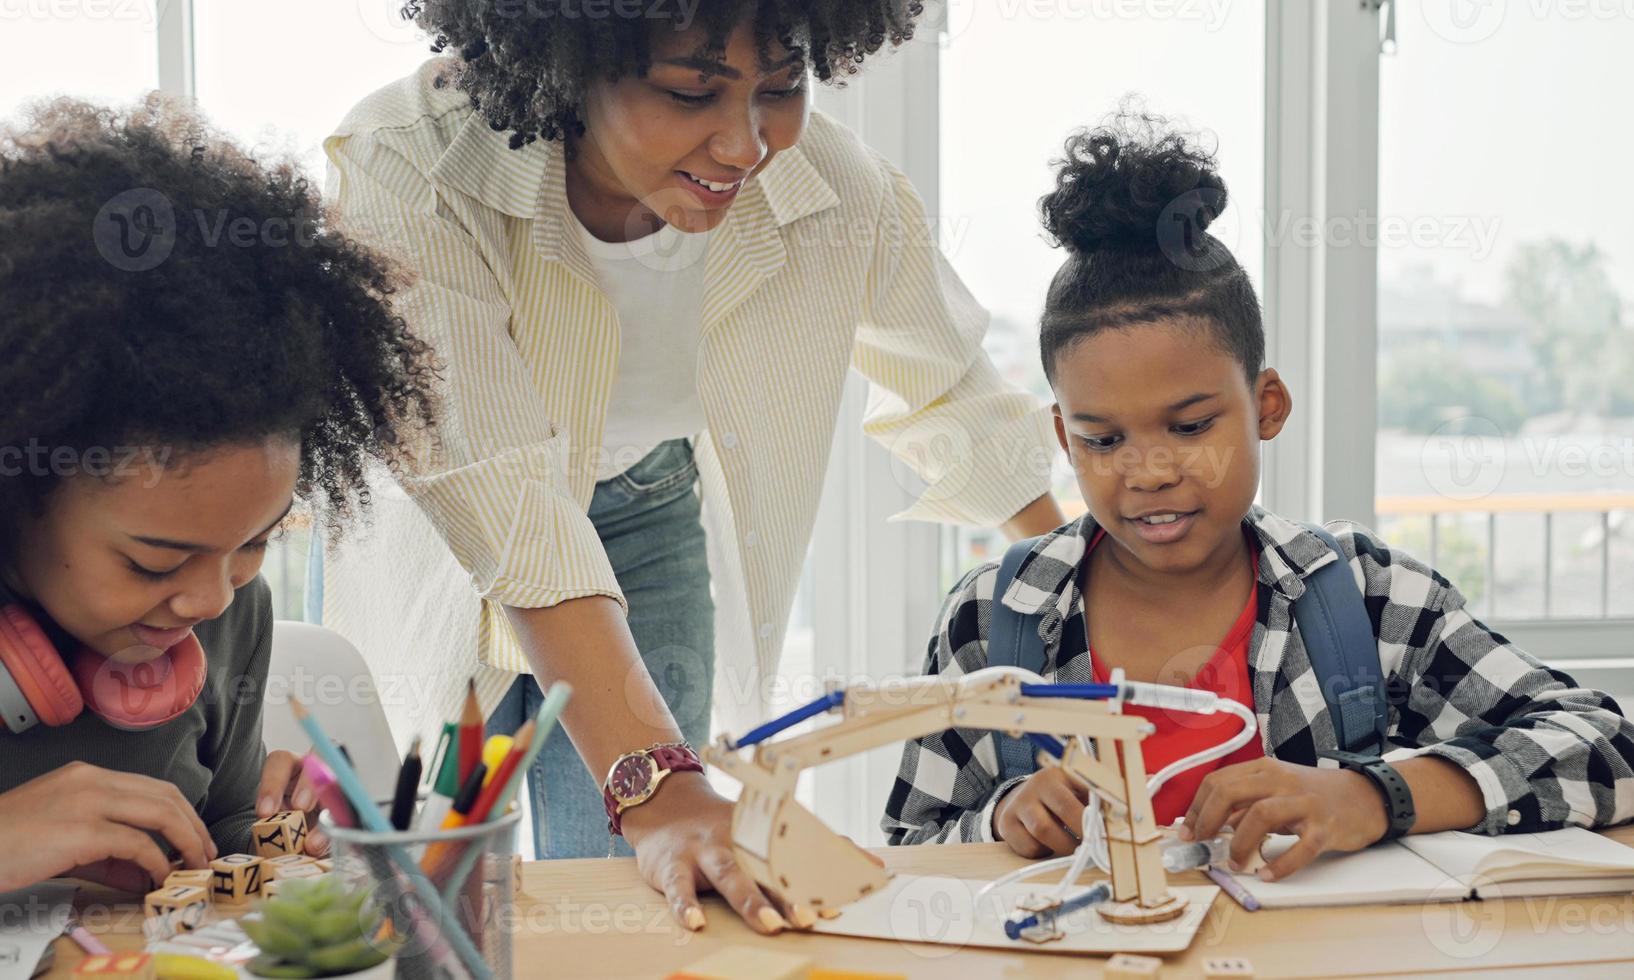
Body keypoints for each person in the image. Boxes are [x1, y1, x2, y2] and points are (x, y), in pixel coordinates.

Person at [317, 1, 1065, 933]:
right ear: (566, 67)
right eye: (690, 91)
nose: (746, 145)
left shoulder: (830, 188)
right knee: (429, 876)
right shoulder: (414, 162)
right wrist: (657, 787)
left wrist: (1084, 592)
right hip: (445, 541)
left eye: (782, 89)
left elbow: (951, 390)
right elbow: (498, 495)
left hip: (647, 508)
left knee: (646, 884)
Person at [882, 113, 1634, 880]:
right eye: (1102, 440)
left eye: (1189, 426)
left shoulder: (1371, 599)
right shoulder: (991, 620)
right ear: (1063, 436)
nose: (1148, 472)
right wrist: (1002, 818)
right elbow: (905, 853)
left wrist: (1372, 796)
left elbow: (1607, 749)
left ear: (1267, 405)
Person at [0, 96, 439, 893]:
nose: (209, 597)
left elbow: (215, 836)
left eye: (257, 541)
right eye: (152, 562)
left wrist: (282, 836)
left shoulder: (230, 612)